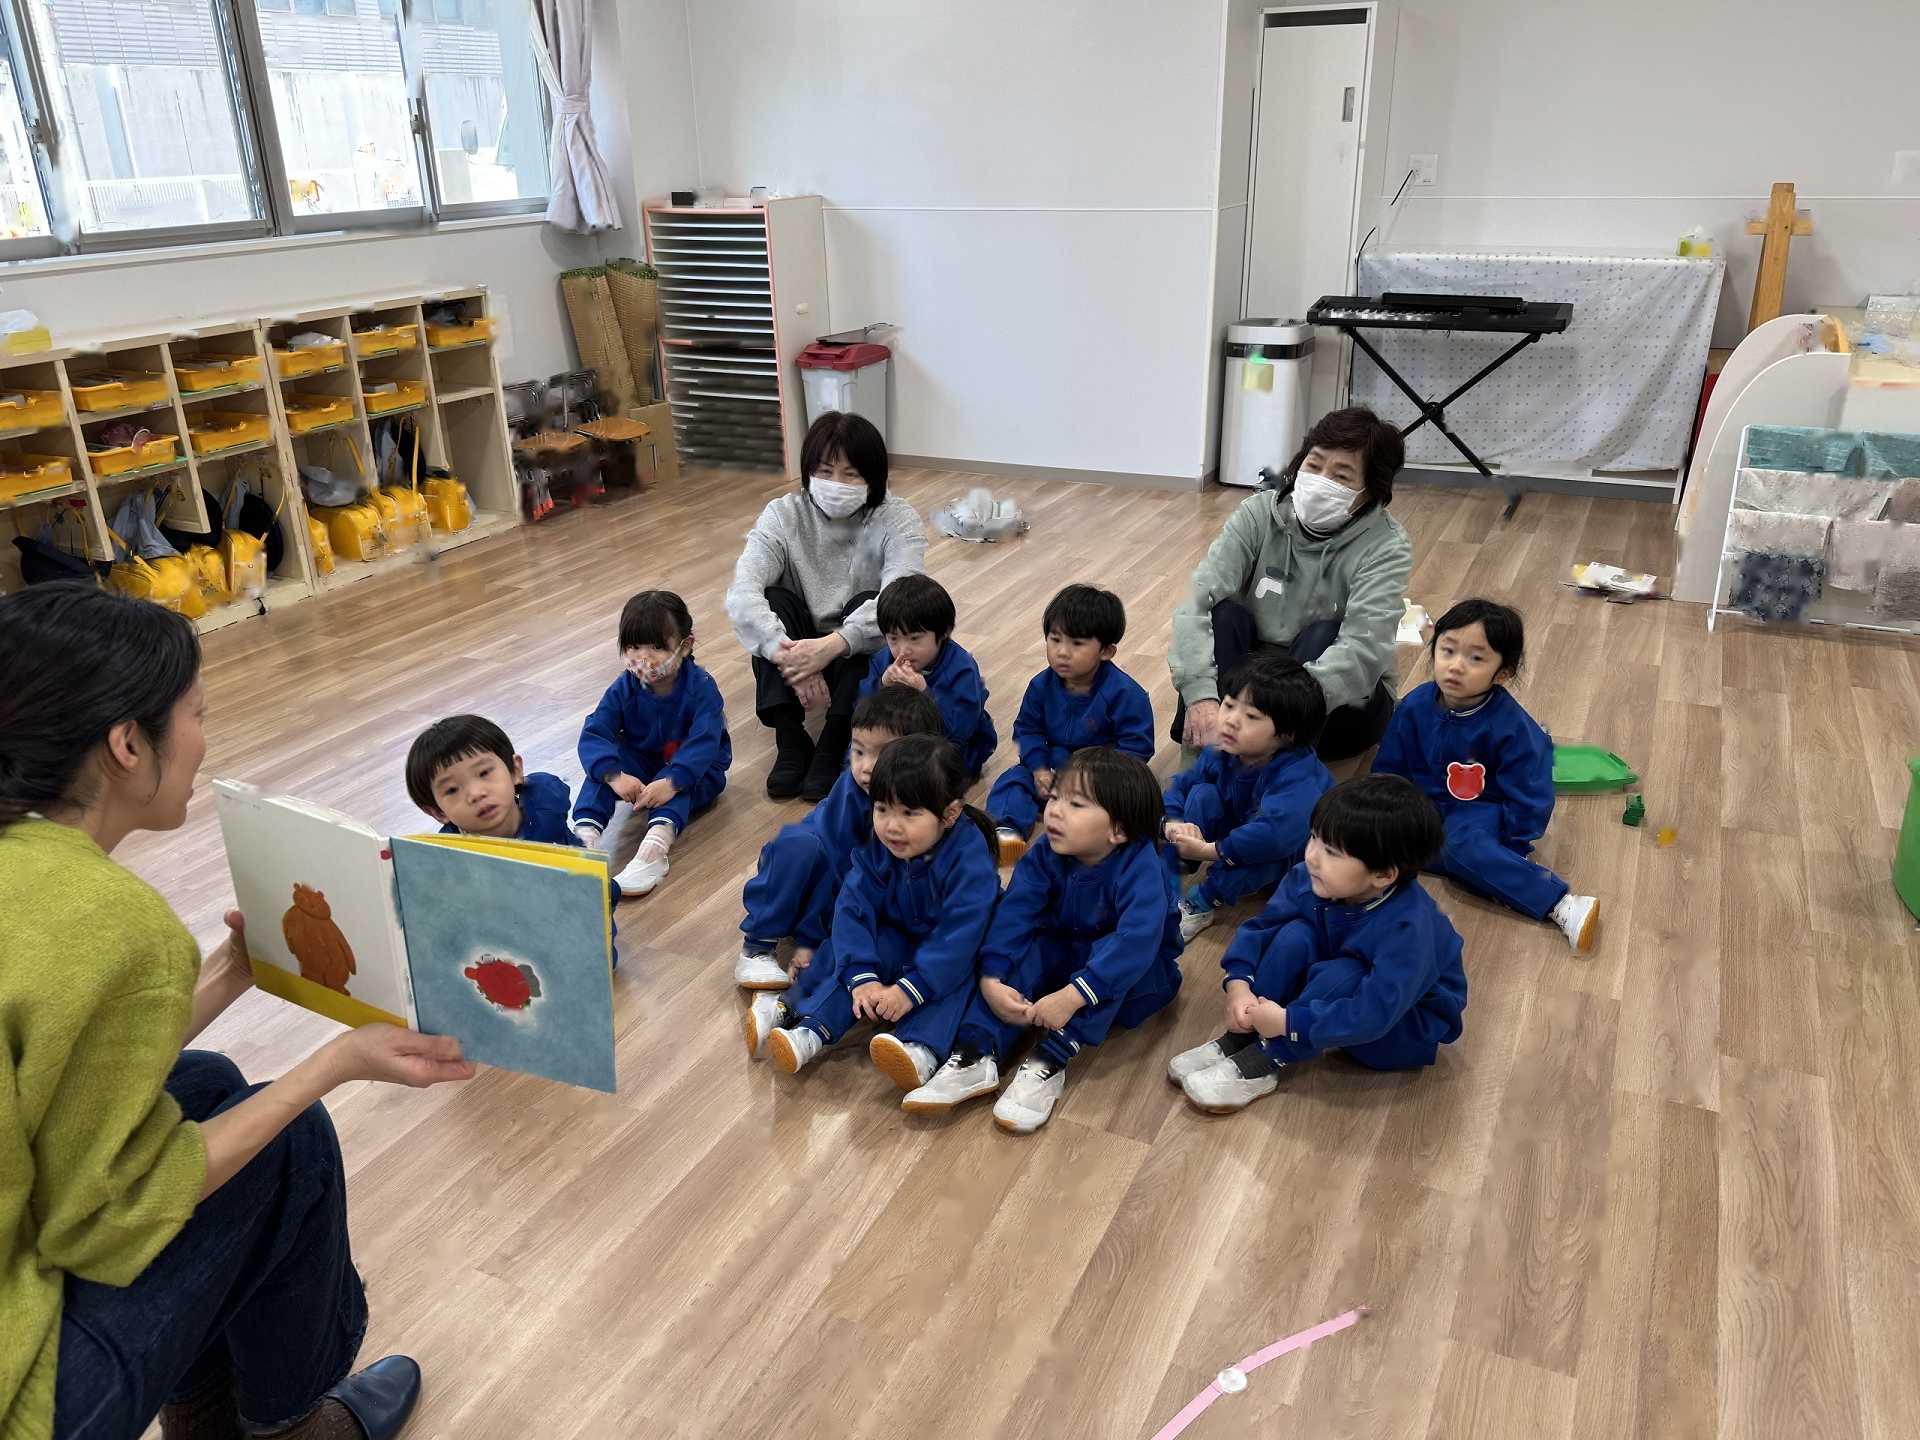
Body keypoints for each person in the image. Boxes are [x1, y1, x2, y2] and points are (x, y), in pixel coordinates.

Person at [0, 582, 474, 1440]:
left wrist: (229, 973)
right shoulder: (110, 920)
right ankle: (291, 1425)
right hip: (25, 1394)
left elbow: (58, 1071)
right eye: (197, 714)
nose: (205, 738)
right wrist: (331, 1065)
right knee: (290, 1144)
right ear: (127, 744)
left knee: (202, 1080)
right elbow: (101, 1220)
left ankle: (206, 1415)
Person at [905, 748, 1183, 1134]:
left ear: (1117, 831)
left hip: (1137, 978)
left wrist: (1073, 996)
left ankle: (1049, 1059)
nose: (1054, 811)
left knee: (1113, 957)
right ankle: (974, 1054)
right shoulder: (1047, 853)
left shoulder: (1142, 868)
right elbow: (1017, 912)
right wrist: (992, 977)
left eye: (1076, 804)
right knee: (1025, 946)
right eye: (1054, 798)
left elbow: (1135, 943)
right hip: (1065, 953)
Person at [1170, 775, 1466, 1113]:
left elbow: (1373, 1013)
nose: (1312, 856)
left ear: (1383, 874)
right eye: (1314, 838)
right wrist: (1239, 985)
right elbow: (1262, 929)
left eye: (1332, 852)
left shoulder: (1409, 929)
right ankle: (1245, 1033)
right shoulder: (1310, 877)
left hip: (1400, 1026)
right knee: (1294, 935)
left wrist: (1290, 1024)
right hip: (1341, 980)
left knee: (1342, 974)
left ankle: (1270, 1056)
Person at [1169, 407, 1412, 762]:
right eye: (1314, 465)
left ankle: (1281, 770)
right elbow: (1196, 603)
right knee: (1223, 615)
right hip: (1251, 685)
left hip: (1332, 705)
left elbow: (1363, 649)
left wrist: (1272, 714)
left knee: (1325, 633)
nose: (1321, 480)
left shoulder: (1386, 545)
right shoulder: (1258, 514)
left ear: (1370, 491)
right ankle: (1205, 755)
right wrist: (1201, 695)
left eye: (1342, 476)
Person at [765, 736, 1001, 1096]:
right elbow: (852, 906)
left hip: (953, 954)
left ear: (950, 814)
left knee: (964, 975)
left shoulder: (969, 859)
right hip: (902, 934)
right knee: (856, 953)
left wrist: (911, 990)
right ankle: (811, 1030)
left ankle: (921, 1051)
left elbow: (959, 936)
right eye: (882, 809)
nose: (892, 826)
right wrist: (862, 978)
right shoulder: (882, 846)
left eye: (909, 813)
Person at [1371, 597, 1599, 952]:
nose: (1456, 666)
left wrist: (1514, 843)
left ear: (1503, 673)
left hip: (1480, 812)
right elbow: (1389, 768)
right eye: (1447, 650)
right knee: (1365, 830)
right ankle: (1481, 868)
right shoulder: (1415, 705)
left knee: (1462, 847)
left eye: (1476, 659)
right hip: (1422, 807)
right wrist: (1384, 812)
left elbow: (1530, 793)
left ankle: (1558, 901)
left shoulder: (1511, 727)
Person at [725, 411, 928, 801]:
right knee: (772, 603)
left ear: (873, 478)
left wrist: (833, 645)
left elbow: (902, 598)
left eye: (851, 474)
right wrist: (788, 655)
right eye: (825, 471)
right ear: (808, 472)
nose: (837, 484)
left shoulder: (897, 518)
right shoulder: (783, 514)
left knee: (872, 604)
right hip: (799, 644)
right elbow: (743, 592)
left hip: (855, 649)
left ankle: (834, 741)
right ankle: (790, 738)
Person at [736, 684, 944, 1001]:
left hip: (857, 899)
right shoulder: (851, 791)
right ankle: (757, 946)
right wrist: (810, 938)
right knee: (797, 845)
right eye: (858, 751)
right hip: (813, 881)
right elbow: (832, 866)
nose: (866, 767)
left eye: (882, 753)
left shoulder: (928, 802)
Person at [407, 712, 623, 964]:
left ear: (515, 771)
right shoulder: (448, 857)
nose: (476, 793)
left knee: (596, 962)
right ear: (437, 812)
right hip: (503, 930)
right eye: (452, 789)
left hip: (569, 906)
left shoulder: (545, 804)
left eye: (484, 773)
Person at [1162, 654, 1335, 942]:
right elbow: (1182, 785)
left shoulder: (1299, 778)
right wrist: (1172, 822)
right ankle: (1176, 864)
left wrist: (1210, 851)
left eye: (1251, 717)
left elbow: (1274, 838)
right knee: (1202, 794)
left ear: (1287, 735)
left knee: (1259, 857)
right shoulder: (1224, 750)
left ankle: (1201, 903)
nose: (1231, 721)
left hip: (1290, 858)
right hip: (1245, 826)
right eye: (1229, 705)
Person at [572, 589, 731, 898]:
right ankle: (584, 841)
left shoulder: (701, 688)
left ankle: (655, 847)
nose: (643, 657)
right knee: (600, 772)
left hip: (697, 772)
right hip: (643, 761)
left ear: (685, 646)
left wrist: (672, 781)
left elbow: (704, 743)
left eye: (657, 646)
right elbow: (596, 731)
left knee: (678, 786)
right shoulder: (624, 686)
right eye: (634, 646)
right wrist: (614, 775)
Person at [986, 583, 1156, 865]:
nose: (1062, 652)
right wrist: (1039, 768)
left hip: (1101, 781)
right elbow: (1027, 729)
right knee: (1013, 781)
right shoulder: (1041, 685)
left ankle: (1091, 846)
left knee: (1129, 806)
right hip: (1053, 771)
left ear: (1107, 651)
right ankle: (1006, 834)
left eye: (1076, 643)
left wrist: (1093, 780)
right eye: (1055, 640)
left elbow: (1137, 748)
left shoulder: (1125, 694)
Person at [857, 572, 996, 778]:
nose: (903, 650)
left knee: (925, 775)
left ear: (944, 632)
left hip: (952, 749)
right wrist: (882, 686)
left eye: (914, 639)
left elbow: (960, 731)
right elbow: (861, 713)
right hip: (899, 743)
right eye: (893, 639)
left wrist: (925, 693)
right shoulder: (882, 661)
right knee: (856, 759)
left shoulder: (961, 668)